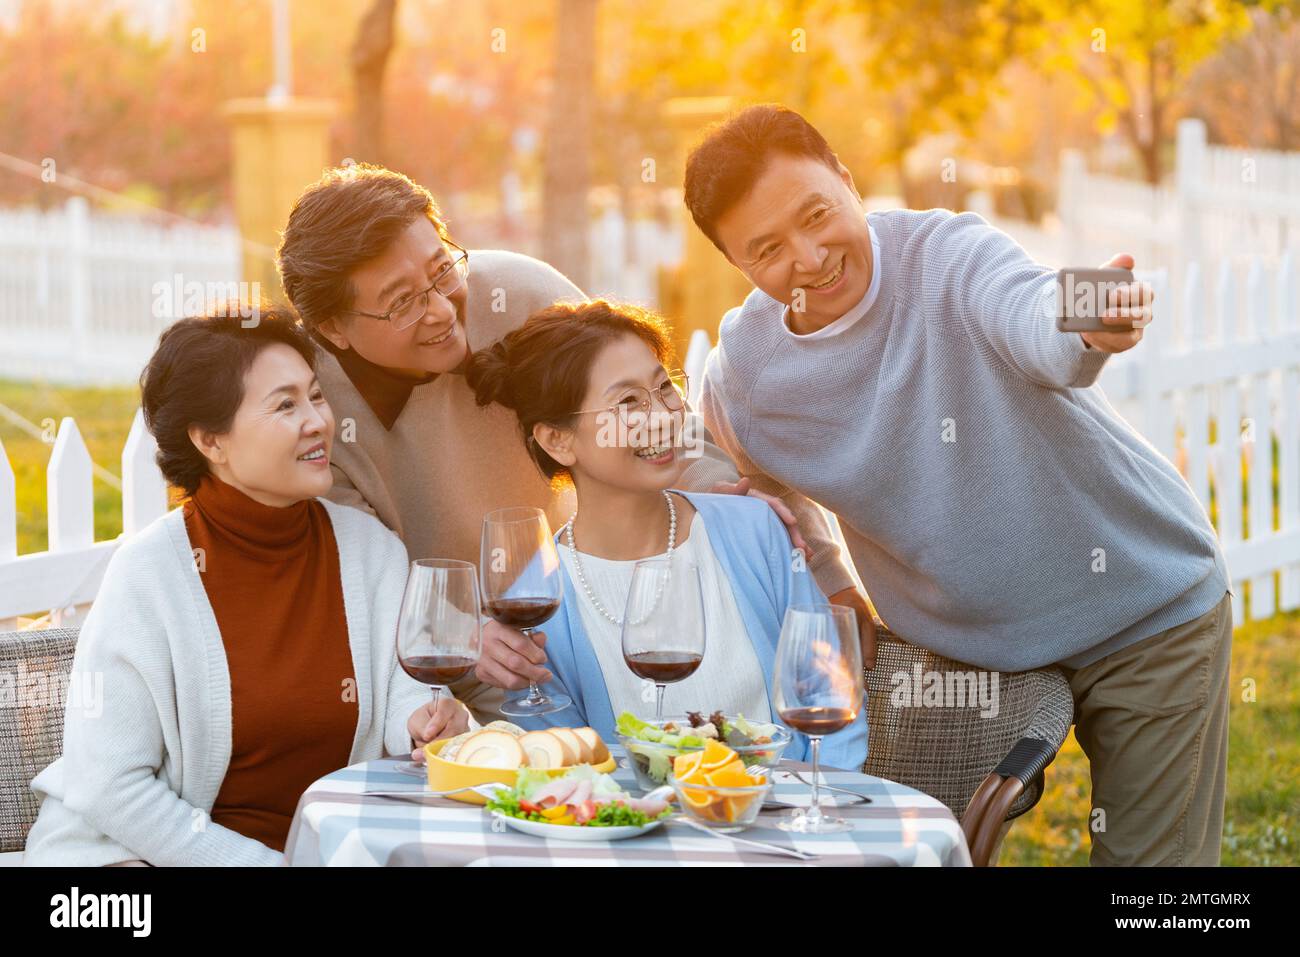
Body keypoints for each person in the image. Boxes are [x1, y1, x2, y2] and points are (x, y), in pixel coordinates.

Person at [686, 103, 1232, 865]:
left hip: (1140, 607)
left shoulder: (946, 255)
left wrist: (1089, 315)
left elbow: (1034, 310)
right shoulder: (747, 374)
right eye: (768, 249)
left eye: (818, 215)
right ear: (736, 263)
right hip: (964, 654)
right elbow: (738, 470)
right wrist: (832, 573)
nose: (809, 258)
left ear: (847, 181)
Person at [276, 164, 869, 723]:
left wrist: (758, 520)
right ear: (332, 328)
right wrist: (454, 632)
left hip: (583, 633)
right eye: (402, 302)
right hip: (439, 696)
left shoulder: (518, 292)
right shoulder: (307, 407)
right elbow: (350, 574)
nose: (440, 311)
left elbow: (648, 403)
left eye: (441, 271)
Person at [24, 308, 471, 866]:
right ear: (211, 440)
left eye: (315, 396)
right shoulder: (149, 574)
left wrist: (427, 723)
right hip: (139, 852)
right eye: (285, 405)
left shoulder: (370, 550)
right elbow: (112, 787)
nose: (317, 421)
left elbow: (406, 692)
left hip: (326, 852)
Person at [464, 299, 868, 769]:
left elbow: (831, 702)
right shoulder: (538, 602)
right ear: (558, 440)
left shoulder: (754, 530)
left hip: (782, 823)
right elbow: (567, 764)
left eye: (664, 389)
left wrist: (810, 809)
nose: (661, 416)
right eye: (628, 402)